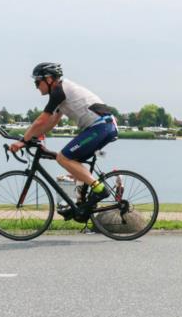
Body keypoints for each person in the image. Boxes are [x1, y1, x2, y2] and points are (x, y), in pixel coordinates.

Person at [10, 63, 119, 221]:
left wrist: (23, 140)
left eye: (37, 82)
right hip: (103, 126)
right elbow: (52, 121)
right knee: (72, 163)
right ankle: (82, 205)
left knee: (63, 158)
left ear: (48, 79)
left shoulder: (58, 91)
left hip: (100, 126)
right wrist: (33, 137)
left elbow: (42, 120)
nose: (36, 86)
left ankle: (99, 190)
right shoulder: (62, 91)